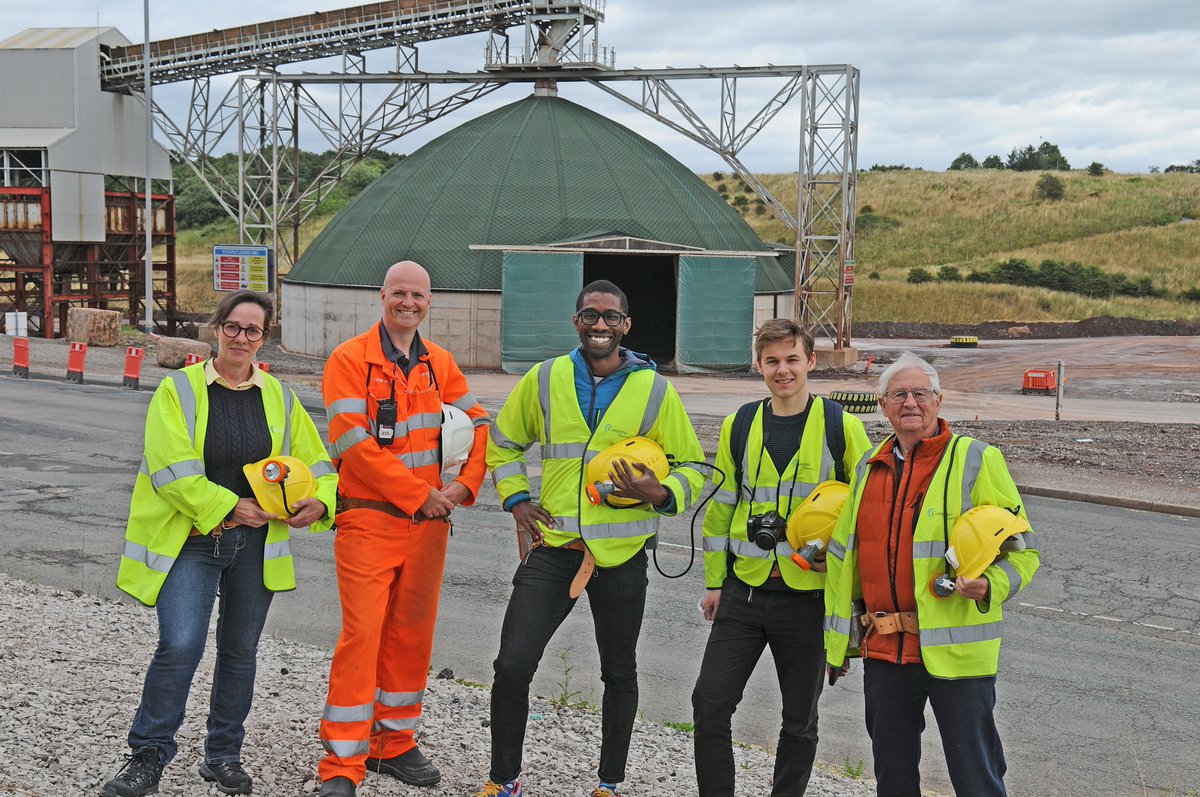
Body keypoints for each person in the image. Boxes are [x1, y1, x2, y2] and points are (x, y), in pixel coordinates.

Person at [101, 290, 338, 797]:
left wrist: (322, 501)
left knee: (239, 651)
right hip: (193, 541)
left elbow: (317, 463)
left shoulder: (278, 396)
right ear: (216, 328)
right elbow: (172, 470)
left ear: (264, 338)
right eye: (233, 326)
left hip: (254, 547)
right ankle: (147, 754)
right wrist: (232, 506)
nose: (241, 338)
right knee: (180, 644)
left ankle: (223, 755)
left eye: (253, 330)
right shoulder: (179, 391)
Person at [478, 279, 707, 797]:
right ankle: (503, 780)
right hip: (556, 547)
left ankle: (610, 783)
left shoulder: (654, 390)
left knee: (619, 671)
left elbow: (694, 465)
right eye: (590, 315)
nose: (599, 325)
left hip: (622, 557)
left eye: (610, 317)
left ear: (625, 325)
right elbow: (504, 443)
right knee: (512, 665)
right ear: (576, 321)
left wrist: (662, 491)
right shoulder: (545, 379)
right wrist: (517, 500)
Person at [823, 351, 1041, 797]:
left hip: (956, 655)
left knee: (975, 778)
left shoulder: (977, 460)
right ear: (882, 406)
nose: (910, 403)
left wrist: (990, 586)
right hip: (885, 651)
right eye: (899, 394)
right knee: (894, 779)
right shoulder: (868, 468)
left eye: (920, 393)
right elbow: (844, 562)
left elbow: (1024, 553)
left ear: (939, 401)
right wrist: (837, 645)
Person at [316, 260, 491, 797]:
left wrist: (467, 484)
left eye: (417, 294)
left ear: (429, 301)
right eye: (399, 293)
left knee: (411, 636)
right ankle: (342, 765)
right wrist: (423, 495)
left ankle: (394, 743)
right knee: (363, 636)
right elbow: (353, 444)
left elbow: (480, 423)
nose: (408, 302)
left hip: (430, 526)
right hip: (371, 521)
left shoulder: (439, 363)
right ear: (382, 296)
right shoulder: (350, 360)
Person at [691, 318, 871, 797]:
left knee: (799, 722)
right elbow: (720, 511)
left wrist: (850, 610)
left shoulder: (842, 428)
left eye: (792, 359)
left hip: (809, 600)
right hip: (743, 593)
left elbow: (867, 519)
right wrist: (714, 583)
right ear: (759, 365)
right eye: (772, 361)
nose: (783, 370)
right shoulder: (740, 424)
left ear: (811, 362)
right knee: (709, 705)